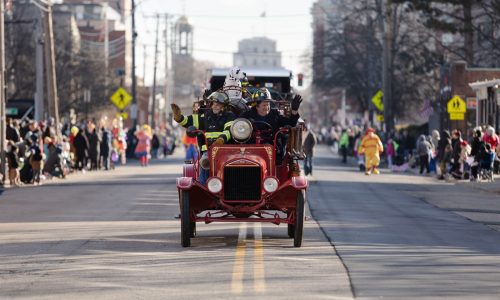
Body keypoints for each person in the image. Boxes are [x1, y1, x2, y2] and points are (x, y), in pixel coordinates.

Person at [171, 91, 236, 184]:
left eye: (219, 104)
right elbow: (189, 121)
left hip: (225, 151)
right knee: (205, 162)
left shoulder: (229, 116)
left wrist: (221, 140)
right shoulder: (205, 116)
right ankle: (203, 187)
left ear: (224, 106)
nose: (215, 106)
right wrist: (179, 117)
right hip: (208, 151)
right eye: (214, 103)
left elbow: (229, 130)